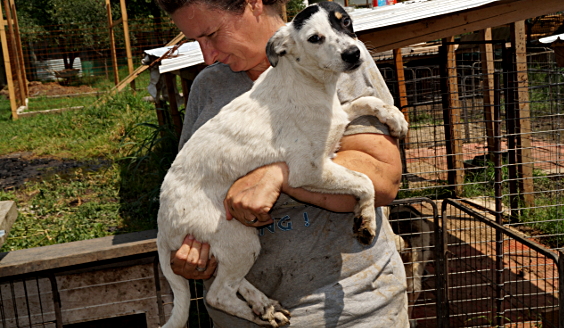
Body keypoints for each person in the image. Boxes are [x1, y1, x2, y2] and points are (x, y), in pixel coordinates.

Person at [155, 0, 409, 326]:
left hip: (349, 310)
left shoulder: (336, 59)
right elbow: (192, 190)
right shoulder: (208, 86)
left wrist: (278, 174)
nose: (208, 56)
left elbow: (383, 179)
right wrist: (193, 255)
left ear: (254, 4)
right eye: (196, 41)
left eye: (212, 34)